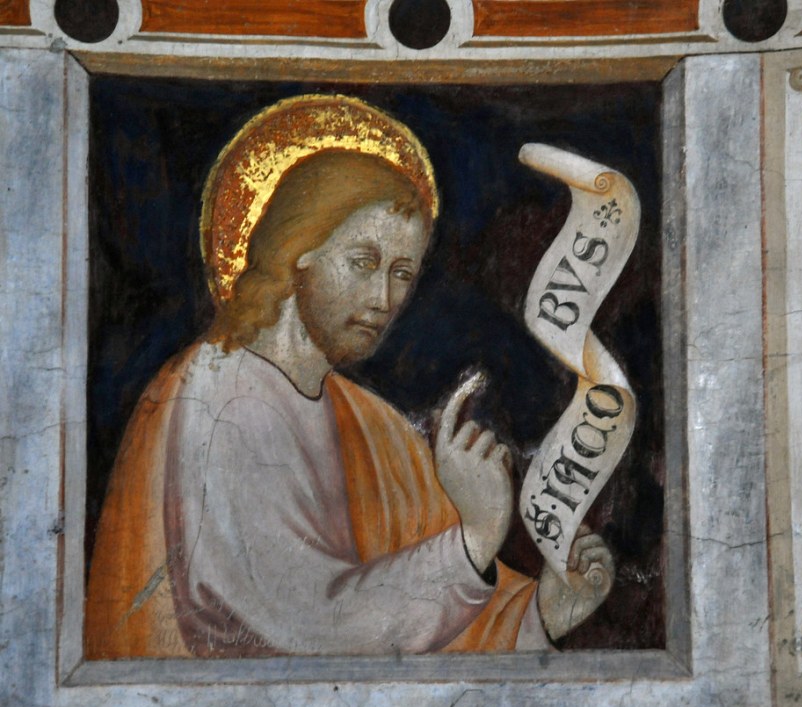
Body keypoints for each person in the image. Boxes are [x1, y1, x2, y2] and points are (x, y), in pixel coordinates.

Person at [85, 95, 612, 658]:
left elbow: (441, 627)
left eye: (403, 273)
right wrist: (475, 539)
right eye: (363, 262)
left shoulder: (374, 425)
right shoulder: (220, 397)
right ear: (297, 249)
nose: (384, 298)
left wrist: (541, 613)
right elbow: (311, 625)